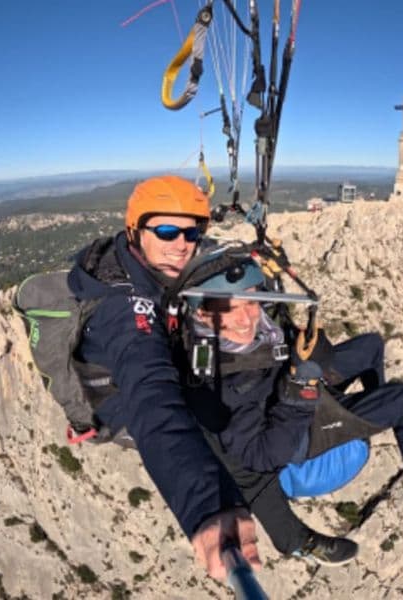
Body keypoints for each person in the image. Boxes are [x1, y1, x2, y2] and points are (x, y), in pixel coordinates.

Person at [175, 251, 403, 557]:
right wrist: (303, 382)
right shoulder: (222, 385)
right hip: (295, 435)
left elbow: (267, 321)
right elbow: (265, 455)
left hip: (286, 384)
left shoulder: (231, 331)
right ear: (202, 313)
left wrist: (275, 276)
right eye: (232, 308)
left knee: (371, 346)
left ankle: (366, 417)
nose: (247, 319)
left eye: (252, 302)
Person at [67, 175, 258, 580]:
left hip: (141, 381)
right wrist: (205, 507)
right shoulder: (125, 308)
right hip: (127, 405)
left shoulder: (136, 263)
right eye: (168, 231)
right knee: (231, 424)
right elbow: (151, 397)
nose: (182, 244)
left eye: (192, 232)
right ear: (134, 231)